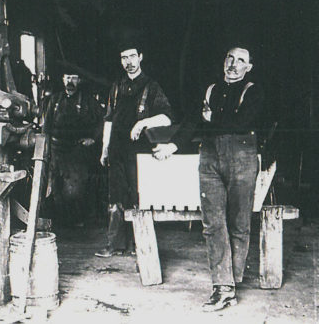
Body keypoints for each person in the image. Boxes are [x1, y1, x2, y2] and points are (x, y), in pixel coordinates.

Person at [153, 46, 264, 312]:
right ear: (223, 60)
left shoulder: (254, 91)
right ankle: (223, 288)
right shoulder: (211, 90)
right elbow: (194, 122)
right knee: (213, 222)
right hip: (210, 157)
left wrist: (212, 117)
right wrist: (172, 146)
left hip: (243, 157)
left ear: (248, 67)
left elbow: (241, 123)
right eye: (230, 58)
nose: (234, 64)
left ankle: (232, 280)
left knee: (239, 222)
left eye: (241, 61)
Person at [96, 44, 173, 257]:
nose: (128, 62)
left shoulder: (152, 86)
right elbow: (109, 120)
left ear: (141, 57)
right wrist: (104, 149)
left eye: (132, 56)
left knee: (138, 196)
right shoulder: (116, 86)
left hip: (139, 153)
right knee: (115, 196)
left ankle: (139, 245)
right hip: (117, 149)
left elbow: (167, 118)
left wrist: (143, 123)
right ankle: (115, 245)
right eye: (123, 58)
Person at [42, 73, 103, 227]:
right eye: (67, 78)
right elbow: (46, 127)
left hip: (77, 151)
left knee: (75, 190)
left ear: (79, 80)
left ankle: (78, 223)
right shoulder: (55, 100)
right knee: (56, 189)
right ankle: (61, 225)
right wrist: (46, 149)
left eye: (74, 78)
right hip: (57, 150)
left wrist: (93, 139)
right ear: (63, 80)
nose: (70, 81)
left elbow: (102, 122)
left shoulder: (88, 101)